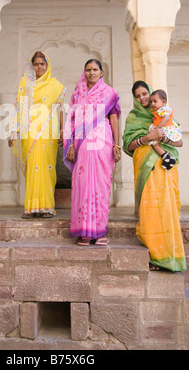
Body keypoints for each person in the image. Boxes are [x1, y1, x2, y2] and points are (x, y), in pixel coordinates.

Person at [122, 80, 186, 272]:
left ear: (150, 95)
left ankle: (170, 256)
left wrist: (165, 139)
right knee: (151, 211)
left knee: (167, 209)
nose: (142, 98)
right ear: (134, 98)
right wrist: (146, 139)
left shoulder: (162, 113)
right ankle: (155, 255)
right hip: (146, 171)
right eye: (138, 95)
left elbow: (179, 141)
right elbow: (128, 145)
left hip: (166, 169)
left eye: (144, 94)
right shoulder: (134, 117)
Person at [63, 59, 121, 246]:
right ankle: (85, 233)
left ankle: (99, 231)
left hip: (103, 141)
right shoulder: (78, 94)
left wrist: (116, 145)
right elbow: (71, 121)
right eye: (88, 69)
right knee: (83, 183)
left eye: (95, 69)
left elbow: (114, 119)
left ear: (102, 72)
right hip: (82, 144)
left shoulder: (109, 93)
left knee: (101, 185)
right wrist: (70, 145)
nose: (91, 72)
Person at [8, 51, 66, 219]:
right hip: (29, 132)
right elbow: (19, 107)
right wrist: (14, 130)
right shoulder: (26, 83)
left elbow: (61, 108)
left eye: (42, 63)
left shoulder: (56, 85)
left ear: (47, 66)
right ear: (32, 66)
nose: (39, 66)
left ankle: (47, 207)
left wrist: (63, 130)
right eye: (36, 64)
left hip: (48, 131)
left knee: (47, 168)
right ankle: (32, 207)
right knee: (33, 167)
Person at [148, 89, 182, 170]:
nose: (152, 104)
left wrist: (158, 127)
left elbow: (166, 118)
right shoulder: (160, 111)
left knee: (154, 143)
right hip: (164, 129)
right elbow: (159, 118)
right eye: (151, 102)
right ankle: (169, 158)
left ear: (163, 101)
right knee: (155, 144)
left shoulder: (163, 109)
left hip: (164, 129)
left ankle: (165, 156)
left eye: (155, 101)